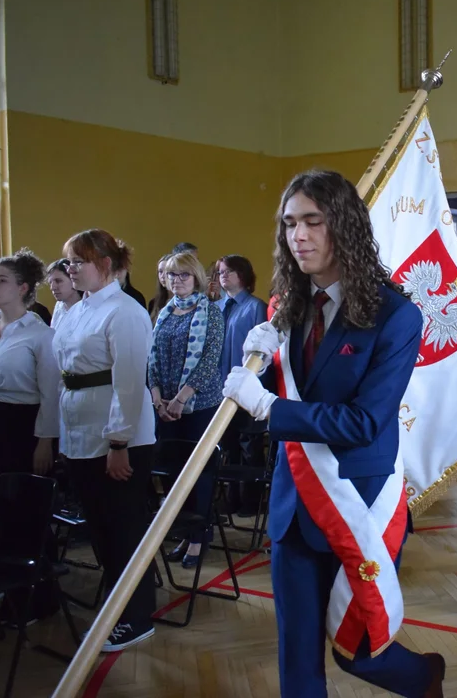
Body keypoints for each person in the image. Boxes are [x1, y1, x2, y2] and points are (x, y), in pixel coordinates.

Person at [221, 170, 445, 696]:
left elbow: (365, 422)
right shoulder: (288, 306)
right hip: (293, 506)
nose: (298, 236)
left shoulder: (396, 314)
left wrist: (271, 408)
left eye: (313, 221)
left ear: (342, 226)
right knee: (297, 661)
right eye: (290, 223)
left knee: (361, 656)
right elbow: (289, 390)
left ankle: (423, 676)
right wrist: (261, 367)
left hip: (358, 505)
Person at [53, 229, 157, 652]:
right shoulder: (75, 309)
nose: (71, 268)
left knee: (124, 528)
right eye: (69, 261)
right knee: (100, 527)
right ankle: (115, 606)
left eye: (80, 261)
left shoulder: (124, 310)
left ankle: (136, 618)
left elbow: (129, 381)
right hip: (81, 430)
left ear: (108, 265)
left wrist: (118, 442)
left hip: (119, 438)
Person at [0, 249, 61, 624]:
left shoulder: (41, 335)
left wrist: (44, 440)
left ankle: (38, 597)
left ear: (23, 288)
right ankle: (0, 583)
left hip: (26, 426)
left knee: (26, 511)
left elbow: (50, 393)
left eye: (1, 280)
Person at [148, 250, 225, 568]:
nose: (175, 281)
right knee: (172, 475)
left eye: (183, 275)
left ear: (196, 278)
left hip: (199, 406)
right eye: (170, 275)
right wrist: (157, 397)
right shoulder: (164, 312)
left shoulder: (213, 313)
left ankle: (199, 537)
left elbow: (209, 361)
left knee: (198, 474)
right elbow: (151, 357)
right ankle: (182, 530)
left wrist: (181, 398)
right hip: (164, 406)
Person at [216, 254, 269, 516]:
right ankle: (230, 499)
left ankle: (252, 501)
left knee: (250, 446)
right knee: (228, 447)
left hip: (248, 389)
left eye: (229, 271)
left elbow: (261, 352)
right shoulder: (216, 307)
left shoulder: (255, 307)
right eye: (220, 272)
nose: (223, 275)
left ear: (244, 275)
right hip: (221, 390)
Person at [47, 258, 83, 331]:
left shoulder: (85, 309)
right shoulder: (59, 306)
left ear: (73, 279)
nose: (52, 287)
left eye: (58, 281)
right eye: (50, 282)